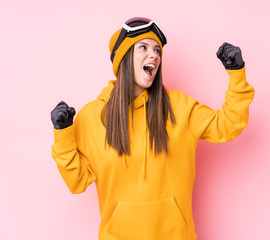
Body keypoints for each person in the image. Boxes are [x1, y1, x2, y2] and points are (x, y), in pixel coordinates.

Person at [50, 17, 255, 240]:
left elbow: (227, 125)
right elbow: (77, 181)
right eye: (144, 47)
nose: (154, 55)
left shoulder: (180, 108)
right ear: (124, 58)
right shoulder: (92, 117)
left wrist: (237, 74)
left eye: (157, 50)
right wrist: (63, 135)